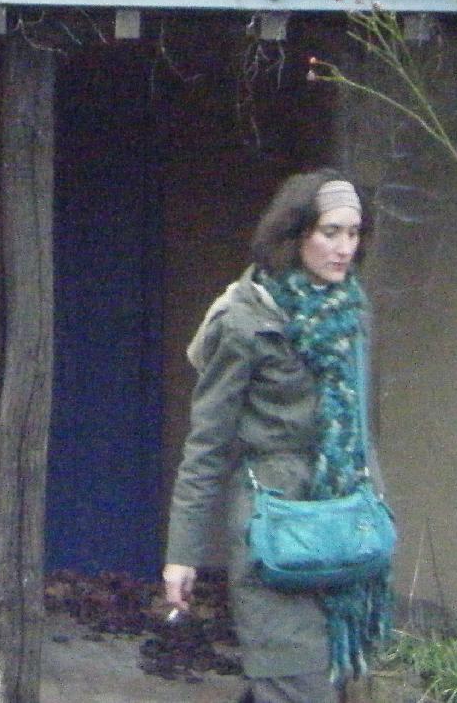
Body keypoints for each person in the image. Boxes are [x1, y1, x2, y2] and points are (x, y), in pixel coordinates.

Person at [162, 170, 394, 703]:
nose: (344, 248)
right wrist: (182, 554)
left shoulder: (353, 313)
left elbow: (359, 428)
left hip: (346, 528)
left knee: (328, 684)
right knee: (295, 683)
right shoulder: (246, 319)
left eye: (353, 233)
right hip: (274, 532)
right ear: (295, 234)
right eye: (330, 232)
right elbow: (207, 446)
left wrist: (378, 510)